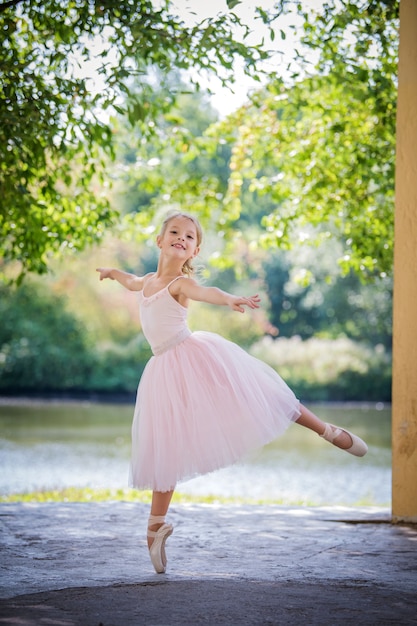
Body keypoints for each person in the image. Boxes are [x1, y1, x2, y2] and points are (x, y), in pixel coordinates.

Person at [96, 211, 367, 574]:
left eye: (189, 237)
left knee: (263, 394)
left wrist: (229, 300)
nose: (181, 238)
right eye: (174, 232)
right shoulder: (147, 282)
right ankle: (154, 528)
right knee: (167, 447)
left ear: (194, 251)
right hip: (163, 372)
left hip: (194, 358)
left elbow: (205, 291)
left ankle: (327, 430)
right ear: (159, 241)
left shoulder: (179, 284)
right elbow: (130, 281)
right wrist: (113, 273)